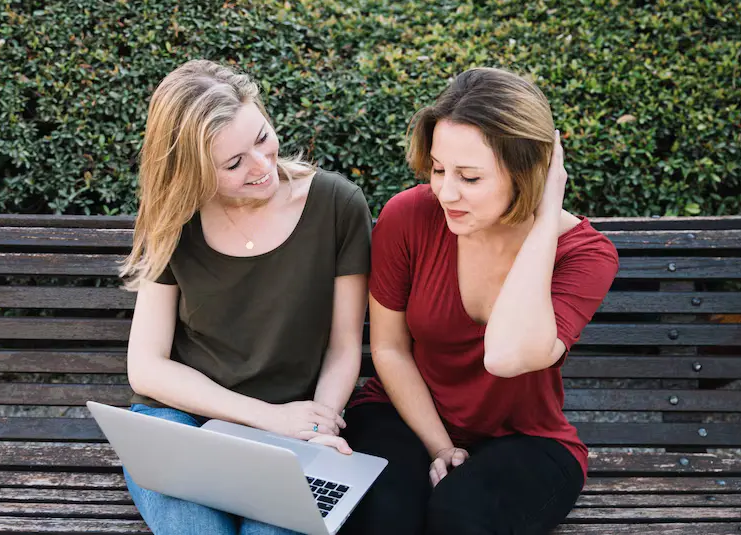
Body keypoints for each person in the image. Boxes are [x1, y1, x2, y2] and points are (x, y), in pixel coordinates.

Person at [340, 67, 619, 535]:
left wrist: (546, 214)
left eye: (470, 177)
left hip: (526, 439)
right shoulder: (408, 217)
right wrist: (439, 447)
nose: (447, 192)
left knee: (460, 517)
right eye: (438, 169)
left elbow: (507, 356)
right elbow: (389, 348)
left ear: (530, 171)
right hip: (402, 415)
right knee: (387, 518)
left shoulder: (585, 255)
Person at [119, 59, 371, 535]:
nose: (262, 167)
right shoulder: (176, 220)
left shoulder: (337, 206)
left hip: (293, 431)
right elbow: (147, 366)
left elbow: (342, 347)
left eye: (261, 138)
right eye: (234, 163)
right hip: (180, 422)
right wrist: (267, 418)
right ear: (192, 171)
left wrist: (317, 427)